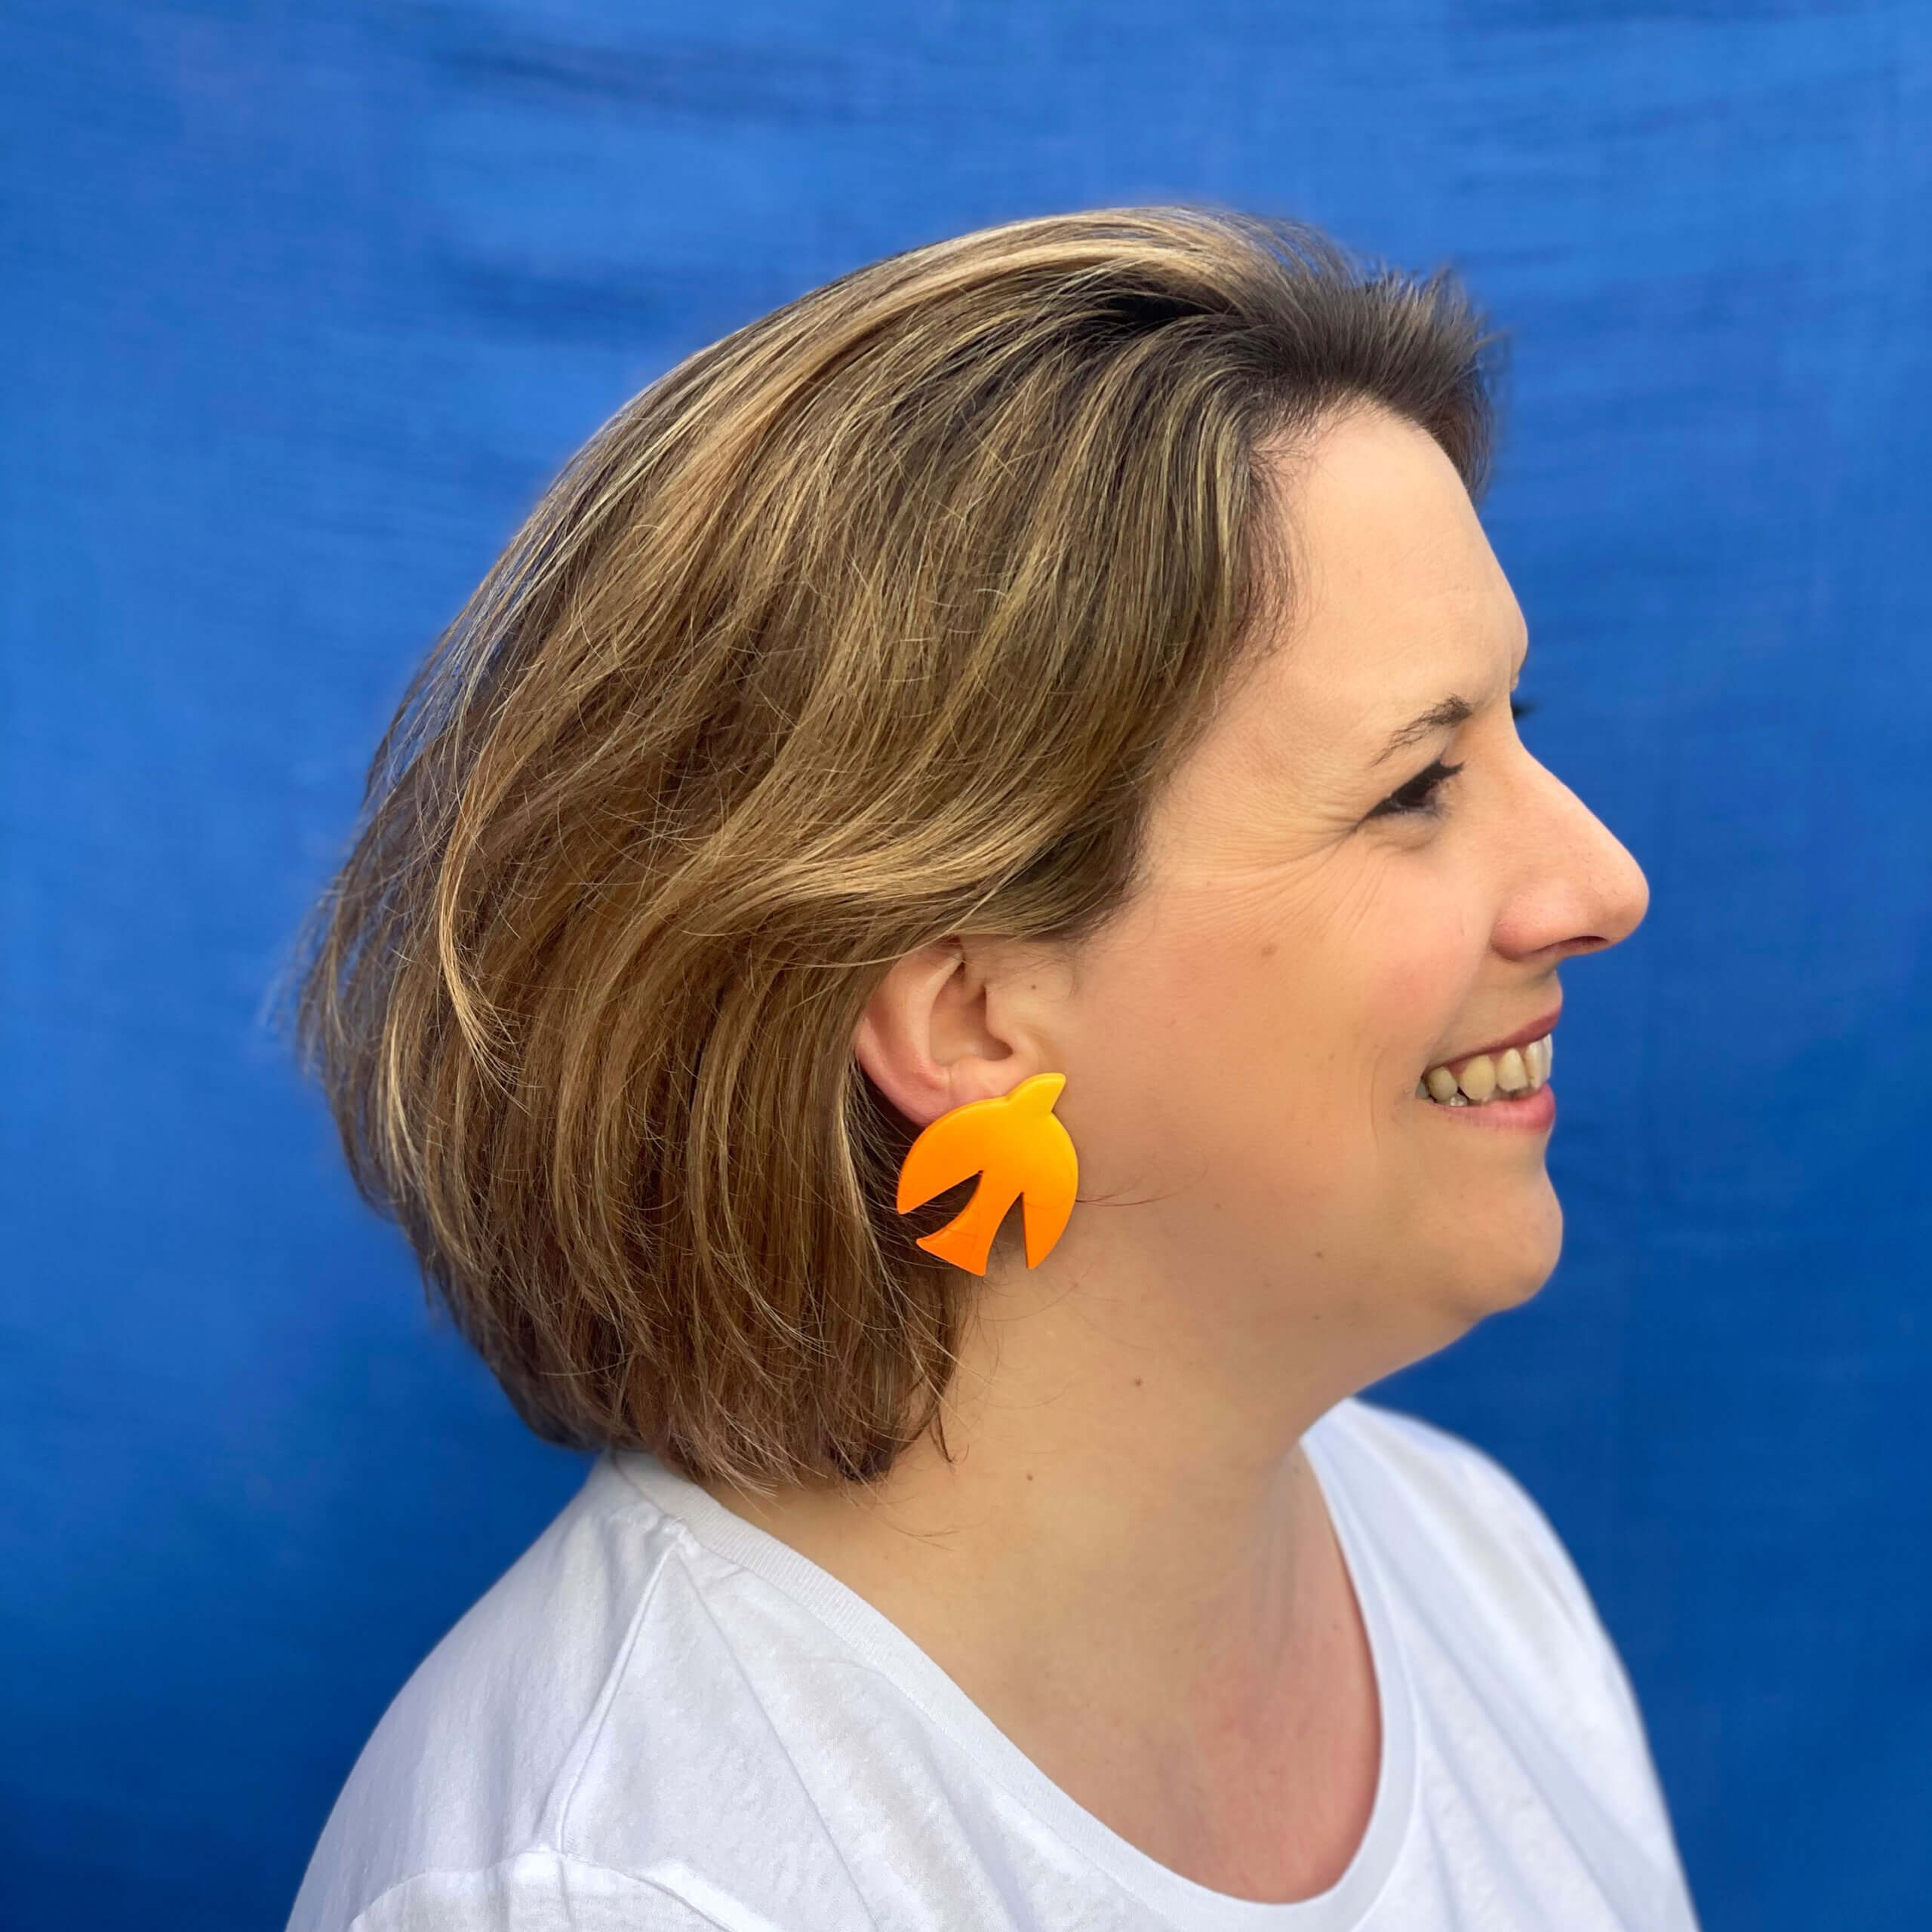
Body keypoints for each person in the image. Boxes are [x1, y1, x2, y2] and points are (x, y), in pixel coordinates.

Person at [286, 208, 1700, 1930]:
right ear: (967, 1020)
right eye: (1415, 786)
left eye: (1515, 732)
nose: (1602, 882)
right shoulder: (612, 1890)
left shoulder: (1469, 1565)